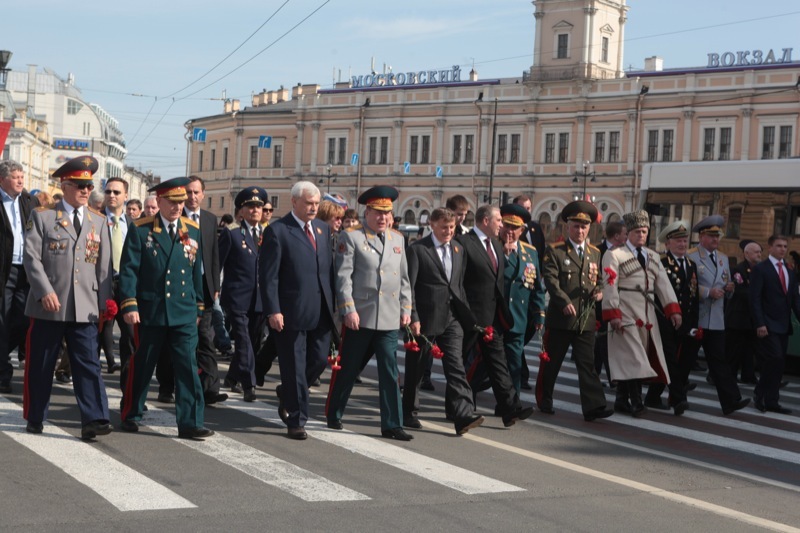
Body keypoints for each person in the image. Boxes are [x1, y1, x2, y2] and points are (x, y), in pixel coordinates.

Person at [22, 156, 113, 440]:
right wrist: (44, 291)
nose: (87, 190)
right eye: (81, 185)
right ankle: (36, 415)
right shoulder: (43, 216)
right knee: (42, 364)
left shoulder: (98, 222)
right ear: (65, 184)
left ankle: (94, 418)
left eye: (89, 185)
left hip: (84, 306)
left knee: (88, 364)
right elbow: (31, 258)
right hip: (50, 305)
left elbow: (105, 267)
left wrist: (104, 304)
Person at [118, 177, 214, 440]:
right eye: (172, 202)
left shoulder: (191, 229)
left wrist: (198, 305)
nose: (178, 207)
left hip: (182, 310)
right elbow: (129, 270)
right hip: (152, 310)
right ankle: (131, 412)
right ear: (159, 201)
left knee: (187, 366)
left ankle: (191, 422)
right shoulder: (141, 229)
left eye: (181, 202)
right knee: (143, 364)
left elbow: (195, 271)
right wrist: (129, 303)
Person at [326, 186, 414, 440]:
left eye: (387, 213)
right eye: (377, 212)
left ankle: (392, 424)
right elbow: (343, 278)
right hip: (360, 316)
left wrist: (406, 309)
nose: (382, 218)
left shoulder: (398, 239)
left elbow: (404, 279)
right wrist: (348, 310)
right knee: (349, 368)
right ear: (367, 212)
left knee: (390, 372)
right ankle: (334, 412)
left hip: (387, 316)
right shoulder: (351, 237)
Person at [260, 181, 335, 440]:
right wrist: (273, 310)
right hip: (290, 311)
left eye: (316, 203)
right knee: (293, 367)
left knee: (317, 360)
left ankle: (289, 392)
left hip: (321, 310)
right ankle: (296, 419)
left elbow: (329, 271)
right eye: (309, 203)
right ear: (294, 202)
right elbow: (269, 276)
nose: (314, 208)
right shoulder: (278, 231)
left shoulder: (324, 230)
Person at [403, 207, 484, 435]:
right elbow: (410, 286)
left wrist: (465, 313)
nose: (448, 231)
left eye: (451, 227)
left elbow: (458, 285)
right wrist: (413, 316)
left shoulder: (458, 249)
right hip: (425, 318)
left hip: (452, 319)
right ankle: (409, 411)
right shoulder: (418, 250)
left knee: (456, 366)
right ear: (432, 225)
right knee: (416, 368)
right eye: (443, 227)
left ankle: (463, 415)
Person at [458, 205, 535, 427]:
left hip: (494, 319)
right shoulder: (465, 243)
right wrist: (465, 313)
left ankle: (510, 408)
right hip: (471, 317)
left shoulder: (497, 247)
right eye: (499, 220)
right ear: (485, 221)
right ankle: (458, 409)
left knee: (498, 363)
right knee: (462, 363)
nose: (502, 225)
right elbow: (459, 281)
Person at [538, 200, 613, 422]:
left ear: (590, 228)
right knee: (552, 363)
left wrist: (599, 292)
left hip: (585, 319)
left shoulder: (594, 253)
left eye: (584, 227)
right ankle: (544, 399)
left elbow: (598, 280)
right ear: (567, 227)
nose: (580, 231)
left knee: (587, 365)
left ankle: (594, 407)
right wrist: (562, 301)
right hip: (561, 318)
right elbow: (550, 279)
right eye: (575, 226)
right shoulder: (556, 251)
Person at [602, 211, 681, 417]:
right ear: (628, 232)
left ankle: (621, 399)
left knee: (635, 358)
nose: (641, 235)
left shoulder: (653, 256)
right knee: (636, 358)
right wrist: (613, 314)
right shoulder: (614, 254)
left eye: (644, 231)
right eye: (637, 231)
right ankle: (637, 403)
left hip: (647, 317)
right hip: (625, 312)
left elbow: (663, 285)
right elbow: (610, 285)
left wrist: (673, 310)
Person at [164, 176, 226, 406]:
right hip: (180, 288)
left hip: (205, 288)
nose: (191, 197)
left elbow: (213, 255)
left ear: (203, 194)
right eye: (188, 192)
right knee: (175, 340)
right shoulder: (175, 217)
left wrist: (216, 286)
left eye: (195, 192)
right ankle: (166, 385)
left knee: (206, 339)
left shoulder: (210, 219)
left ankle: (211, 387)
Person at [687, 215, 750, 415]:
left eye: (718, 236)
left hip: (716, 320)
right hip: (698, 317)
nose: (716, 240)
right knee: (685, 360)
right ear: (702, 237)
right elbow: (687, 287)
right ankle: (671, 395)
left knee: (719, 361)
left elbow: (726, 284)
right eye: (712, 236)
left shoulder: (723, 258)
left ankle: (730, 401)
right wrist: (707, 292)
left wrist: (730, 288)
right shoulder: (692, 256)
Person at [641, 220, 697, 415]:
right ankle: (679, 399)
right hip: (663, 318)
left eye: (684, 241)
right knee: (670, 358)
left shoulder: (691, 264)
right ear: (668, 244)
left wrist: (692, 323)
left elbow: (692, 295)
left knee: (675, 361)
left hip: (683, 321)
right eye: (678, 241)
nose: (682, 244)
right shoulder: (661, 262)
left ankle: (653, 396)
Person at [218, 187, 268, 402]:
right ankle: (249, 384)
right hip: (237, 297)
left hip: (260, 299)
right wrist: (214, 290)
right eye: (250, 206)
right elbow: (217, 264)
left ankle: (231, 376)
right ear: (241, 210)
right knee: (244, 341)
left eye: (259, 206)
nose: (255, 210)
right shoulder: (232, 234)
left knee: (253, 343)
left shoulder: (268, 235)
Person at [496, 204, 545, 394]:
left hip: (518, 317)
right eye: (506, 226)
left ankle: (511, 404)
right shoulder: (492, 247)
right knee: (482, 364)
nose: (509, 231)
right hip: (495, 317)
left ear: (522, 230)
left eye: (514, 228)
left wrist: (539, 314)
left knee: (515, 364)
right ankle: (468, 399)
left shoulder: (530, 252)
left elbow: (536, 287)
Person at [0, 160, 39, 393]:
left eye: (22, 176)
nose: (21, 180)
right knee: (2, 322)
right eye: (16, 177)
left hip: (26, 271)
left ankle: (2, 355)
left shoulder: (29, 201)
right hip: (4, 271)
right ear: (3, 179)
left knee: (25, 320)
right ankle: (3, 373)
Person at [750, 234, 800, 415]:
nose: (782, 249)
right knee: (775, 358)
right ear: (770, 248)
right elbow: (754, 299)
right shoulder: (761, 269)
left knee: (779, 364)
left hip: (783, 324)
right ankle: (760, 394)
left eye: (785, 246)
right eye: (779, 246)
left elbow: (795, 300)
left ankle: (772, 401)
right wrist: (760, 323)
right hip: (768, 324)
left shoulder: (790, 271)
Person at [98, 177, 133, 374]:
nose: (111, 195)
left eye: (116, 192)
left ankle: (127, 387)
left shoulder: (133, 224)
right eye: (108, 191)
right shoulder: (96, 219)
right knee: (99, 334)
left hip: (125, 285)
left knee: (129, 337)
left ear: (126, 196)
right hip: (102, 284)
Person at [594, 221, 626, 384]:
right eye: (625, 234)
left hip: (618, 304)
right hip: (600, 304)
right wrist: (599, 290)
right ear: (616, 236)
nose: (627, 237)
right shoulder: (597, 251)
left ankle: (596, 375)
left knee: (604, 343)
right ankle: (611, 377)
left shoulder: (626, 252)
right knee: (603, 342)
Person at [725, 240, 762, 385]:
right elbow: (739, 291)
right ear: (747, 254)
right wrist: (758, 294)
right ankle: (729, 376)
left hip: (750, 319)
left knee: (749, 350)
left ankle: (748, 375)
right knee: (733, 350)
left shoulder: (758, 270)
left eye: (760, 252)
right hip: (737, 318)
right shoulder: (739, 270)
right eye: (756, 252)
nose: (759, 254)